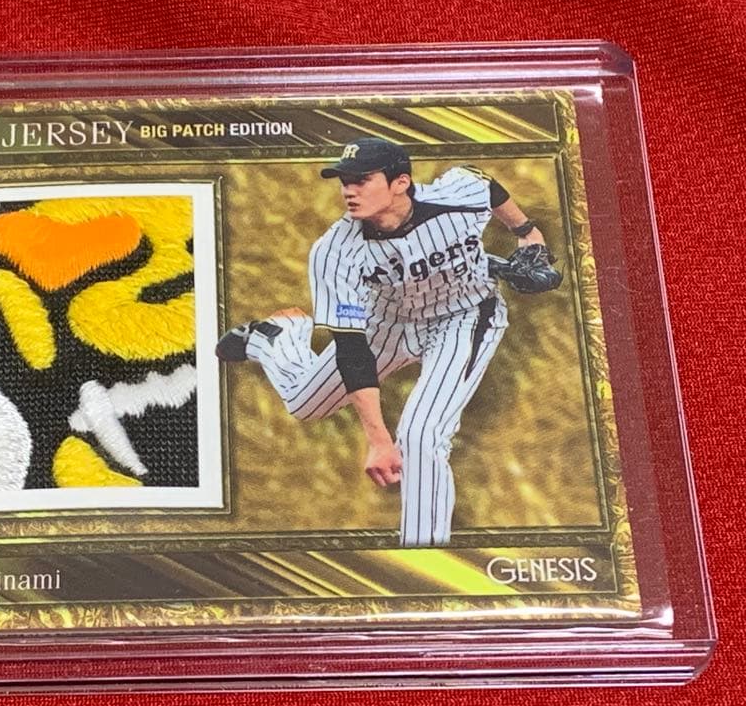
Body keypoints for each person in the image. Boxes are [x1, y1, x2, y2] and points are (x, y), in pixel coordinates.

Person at [216, 137, 551, 547]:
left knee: (422, 435)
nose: (349, 191)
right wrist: (378, 440)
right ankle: (275, 338)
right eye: (345, 181)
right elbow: (352, 348)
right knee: (305, 403)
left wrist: (527, 232)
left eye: (361, 180)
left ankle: (425, 550)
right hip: (385, 323)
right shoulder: (335, 252)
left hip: (463, 317)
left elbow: (484, 183)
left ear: (400, 183)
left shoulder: (454, 199)